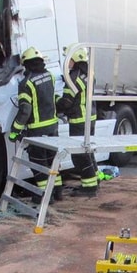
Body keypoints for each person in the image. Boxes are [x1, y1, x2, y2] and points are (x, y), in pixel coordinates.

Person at [9, 47, 63, 202]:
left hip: (37, 130)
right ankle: (57, 192)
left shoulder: (26, 83)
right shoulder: (50, 76)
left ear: (26, 64)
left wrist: (14, 132)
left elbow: (25, 111)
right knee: (53, 161)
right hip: (53, 127)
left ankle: (45, 196)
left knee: (39, 164)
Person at [56, 46, 98, 197]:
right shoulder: (89, 74)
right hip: (90, 118)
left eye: (69, 59)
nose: (67, 63)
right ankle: (95, 180)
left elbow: (66, 102)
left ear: (76, 59)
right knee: (88, 151)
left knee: (79, 155)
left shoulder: (73, 78)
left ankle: (89, 187)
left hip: (79, 120)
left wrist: (54, 103)